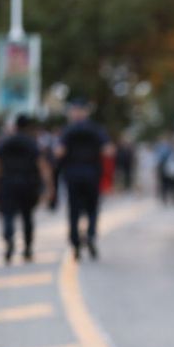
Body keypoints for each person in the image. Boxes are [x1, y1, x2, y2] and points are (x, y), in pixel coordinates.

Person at [55, 99, 113, 260]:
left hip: (73, 175)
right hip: (91, 174)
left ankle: (75, 242)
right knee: (92, 209)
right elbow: (108, 151)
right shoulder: (95, 129)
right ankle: (91, 235)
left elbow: (59, 152)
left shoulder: (68, 131)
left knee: (74, 210)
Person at [0, 115, 51, 263]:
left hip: (8, 182)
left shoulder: (5, 142)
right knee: (27, 217)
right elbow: (41, 163)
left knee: (8, 215)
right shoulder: (32, 143)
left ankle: (9, 239)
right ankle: (28, 249)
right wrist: (49, 184)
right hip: (28, 183)